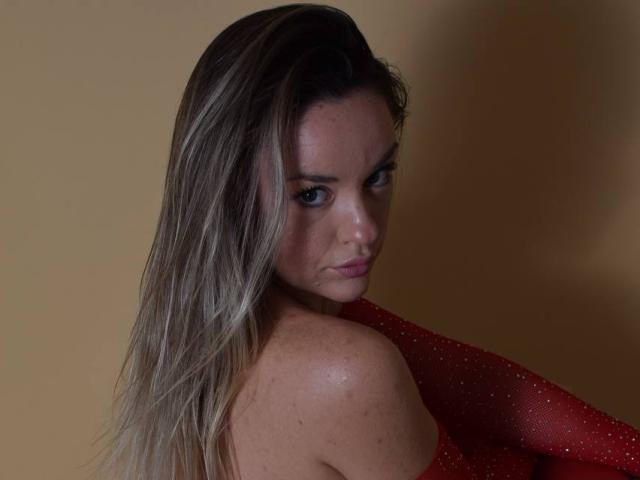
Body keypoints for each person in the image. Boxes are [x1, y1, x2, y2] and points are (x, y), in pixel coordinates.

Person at [94, 3, 640, 480]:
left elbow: (486, 389)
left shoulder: (239, 332)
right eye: (312, 194)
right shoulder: (347, 370)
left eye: (378, 176)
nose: (365, 230)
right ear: (229, 198)